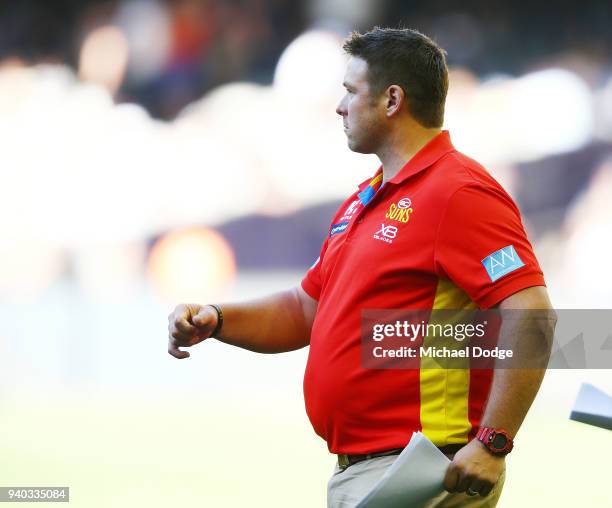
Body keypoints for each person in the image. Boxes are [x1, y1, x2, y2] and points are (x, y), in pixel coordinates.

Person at [168, 27, 555, 508]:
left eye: (351, 91)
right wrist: (217, 319)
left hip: (422, 472)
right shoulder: (366, 197)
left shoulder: (459, 192)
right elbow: (306, 308)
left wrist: (494, 441)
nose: (339, 106)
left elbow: (532, 312)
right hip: (373, 472)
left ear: (392, 100)